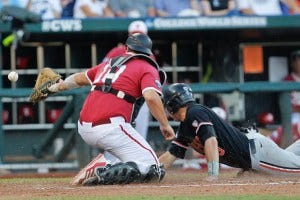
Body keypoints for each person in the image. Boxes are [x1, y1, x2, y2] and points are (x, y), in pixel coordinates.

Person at [47, 33, 175, 185]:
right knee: (154, 169)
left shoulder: (108, 64)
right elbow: (151, 97)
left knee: (131, 159)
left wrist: (57, 86)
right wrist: (165, 124)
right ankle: (103, 167)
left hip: (84, 127)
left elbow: (79, 78)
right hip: (110, 127)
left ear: (126, 48)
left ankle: (103, 171)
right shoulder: (146, 66)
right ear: (149, 52)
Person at [159, 83, 300, 181]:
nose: (165, 109)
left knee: (295, 172)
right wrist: (153, 171)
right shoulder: (186, 124)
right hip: (253, 154)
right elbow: (172, 154)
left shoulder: (195, 111)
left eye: (166, 104)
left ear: (173, 104)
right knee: (290, 159)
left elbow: (211, 140)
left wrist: (213, 174)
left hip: (257, 154)